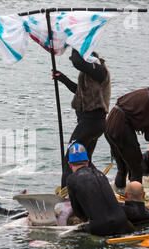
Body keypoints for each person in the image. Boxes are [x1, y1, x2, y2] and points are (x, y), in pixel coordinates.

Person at [53, 48, 111, 188]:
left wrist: (74, 42)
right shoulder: (90, 73)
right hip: (92, 123)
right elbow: (79, 91)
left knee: (70, 158)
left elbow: (77, 62)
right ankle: (97, 186)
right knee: (85, 160)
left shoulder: (99, 70)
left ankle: (67, 194)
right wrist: (63, 79)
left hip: (91, 122)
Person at [66, 142, 134, 236]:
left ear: (69, 164)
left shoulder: (71, 179)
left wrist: (85, 219)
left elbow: (77, 210)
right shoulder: (100, 174)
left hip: (100, 228)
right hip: (122, 222)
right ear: (88, 161)